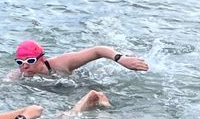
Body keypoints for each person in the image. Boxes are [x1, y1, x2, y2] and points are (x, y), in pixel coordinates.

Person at [9, 39, 148, 80]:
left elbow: (97, 50)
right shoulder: (18, 75)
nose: (24, 66)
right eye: (20, 62)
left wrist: (121, 59)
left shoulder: (61, 63)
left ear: (42, 58)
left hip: (81, 82)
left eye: (30, 61)